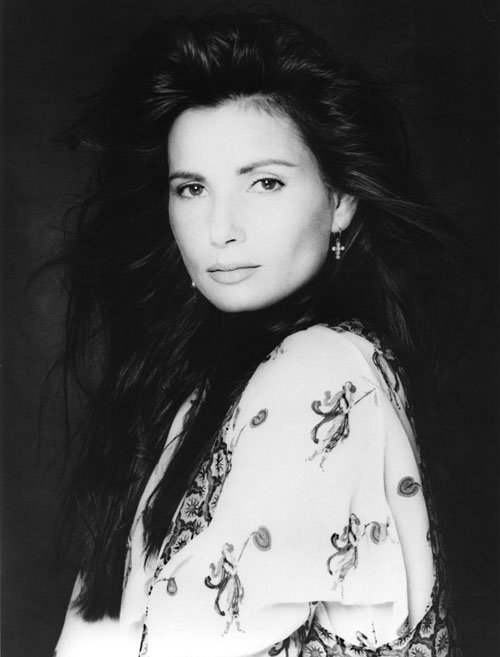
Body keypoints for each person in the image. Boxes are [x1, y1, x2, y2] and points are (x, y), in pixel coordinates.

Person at [53, 10, 464, 657]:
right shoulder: (204, 381)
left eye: (265, 182)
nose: (221, 229)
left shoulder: (320, 368)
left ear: (341, 200)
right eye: (192, 188)